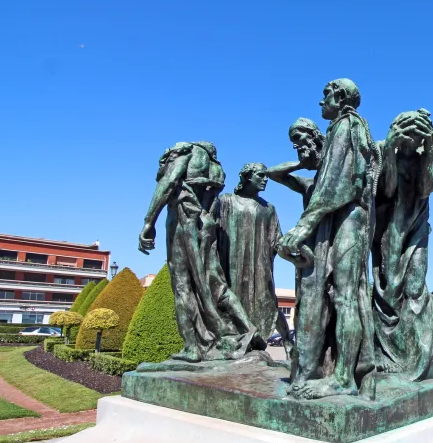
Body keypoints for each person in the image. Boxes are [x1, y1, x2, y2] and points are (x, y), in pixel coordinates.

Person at [278, 78, 379, 400]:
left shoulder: (345, 126)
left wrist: (302, 227)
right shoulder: (354, 128)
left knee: (345, 297)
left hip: (349, 219)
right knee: (343, 296)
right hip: (349, 218)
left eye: (325, 96)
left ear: (339, 97)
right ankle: (338, 371)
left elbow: (337, 185)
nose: (321, 103)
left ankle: (344, 379)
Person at [138, 142, 259, 363]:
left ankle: (192, 347)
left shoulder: (186, 153)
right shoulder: (216, 167)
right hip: (207, 225)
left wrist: (149, 222)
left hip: (184, 222)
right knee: (215, 283)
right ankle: (249, 329)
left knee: (183, 284)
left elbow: (169, 183)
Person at [372, 109, 433, 380]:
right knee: (389, 287)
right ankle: (386, 351)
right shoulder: (382, 149)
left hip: (416, 223)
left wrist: (427, 152)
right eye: (409, 136)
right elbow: (388, 189)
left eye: (419, 136)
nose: (413, 141)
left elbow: (426, 188)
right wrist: (390, 151)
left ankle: (420, 345)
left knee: (415, 286)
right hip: (388, 225)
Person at [267, 118, 332, 382]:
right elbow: (273, 174)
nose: (297, 147)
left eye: (301, 140)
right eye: (294, 144)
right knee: (306, 308)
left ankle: (326, 365)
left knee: (331, 307)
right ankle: (308, 364)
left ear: (316, 138)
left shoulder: (334, 177)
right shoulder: (308, 184)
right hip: (307, 254)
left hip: (331, 249)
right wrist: (301, 163)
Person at [215, 162, 292, 357]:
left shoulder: (268, 209)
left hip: (260, 266)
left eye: (266, 176)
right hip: (231, 266)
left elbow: (277, 240)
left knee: (269, 302)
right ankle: (238, 339)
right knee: (230, 302)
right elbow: (211, 231)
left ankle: (289, 343)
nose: (266, 179)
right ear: (247, 177)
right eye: (261, 175)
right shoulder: (225, 202)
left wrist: (293, 249)